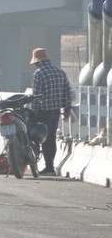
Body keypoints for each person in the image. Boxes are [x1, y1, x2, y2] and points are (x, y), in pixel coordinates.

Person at [29, 47, 73, 175]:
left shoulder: (39, 73)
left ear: (37, 62)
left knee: (37, 137)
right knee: (51, 138)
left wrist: (33, 113)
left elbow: (36, 96)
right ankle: (50, 166)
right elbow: (67, 92)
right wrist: (67, 109)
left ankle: (38, 164)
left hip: (43, 111)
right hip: (56, 111)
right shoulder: (60, 72)